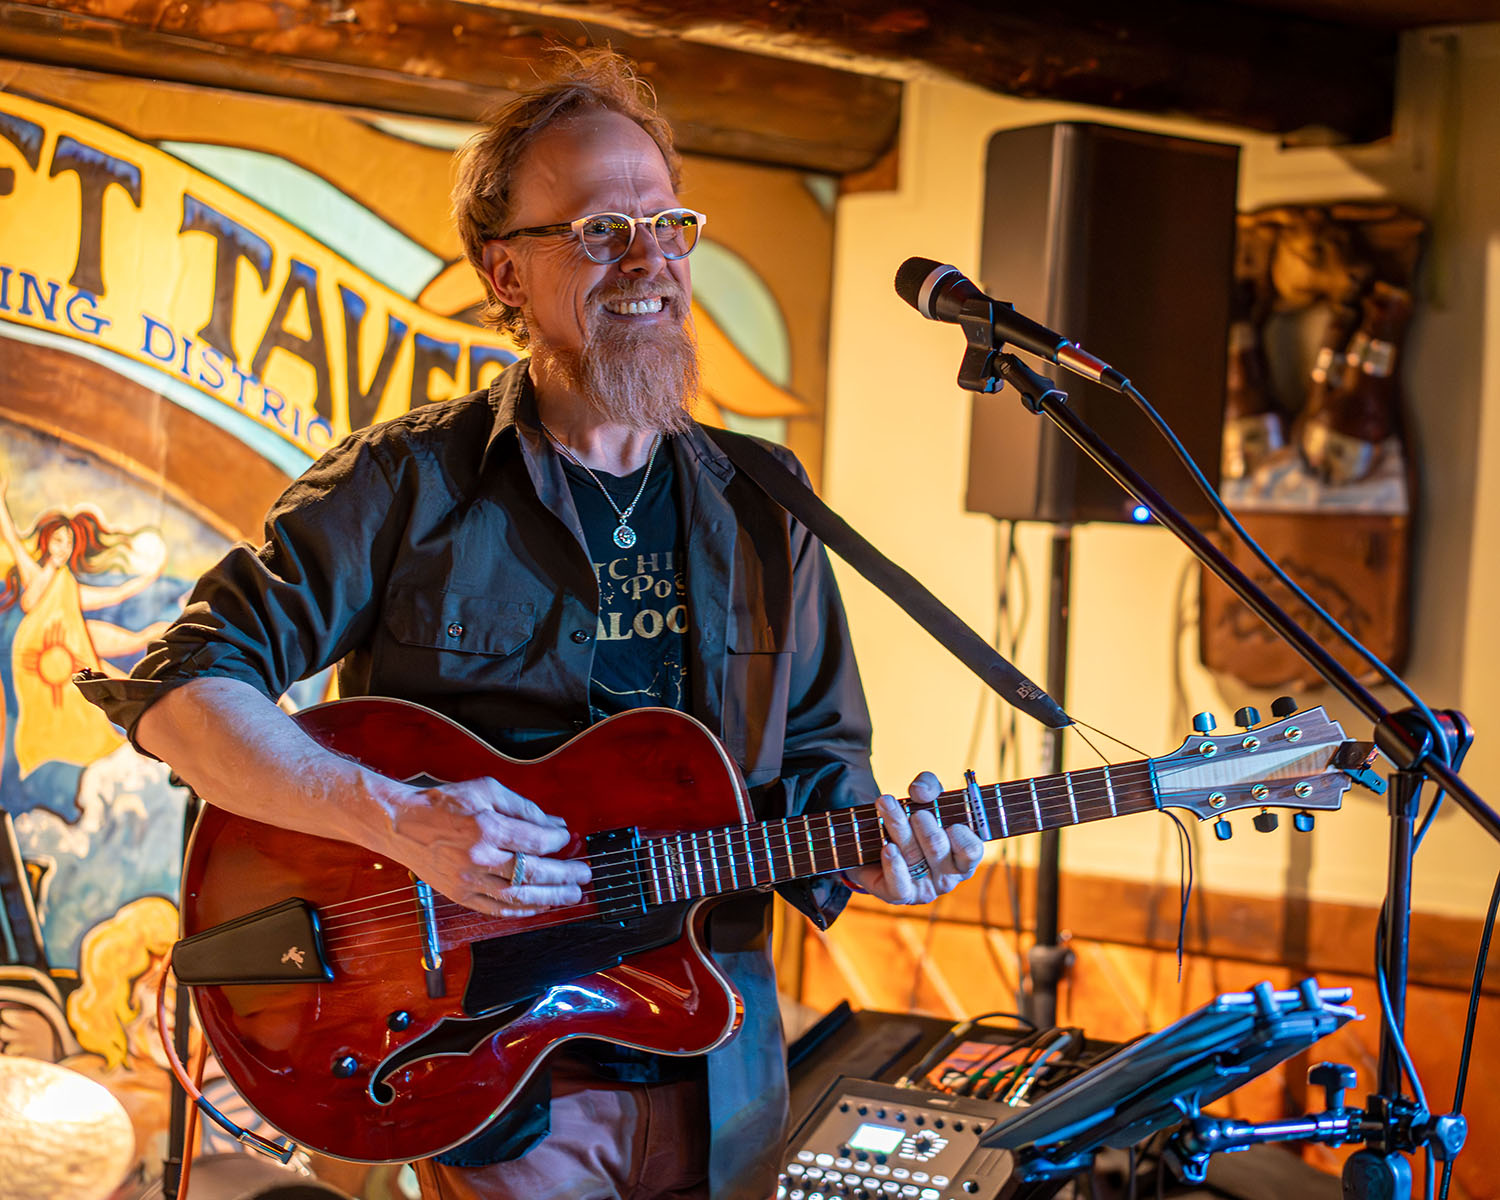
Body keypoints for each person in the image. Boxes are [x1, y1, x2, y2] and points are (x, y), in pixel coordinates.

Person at [78, 49, 984, 1200]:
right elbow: (177, 694)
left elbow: (817, 768)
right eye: (603, 230)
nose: (652, 259)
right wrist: (400, 820)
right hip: (481, 1069)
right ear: (506, 273)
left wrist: (889, 853)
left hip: (721, 1072)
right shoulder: (409, 485)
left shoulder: (768, 501)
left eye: (669, 224)